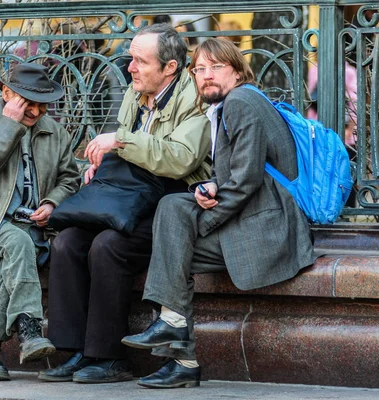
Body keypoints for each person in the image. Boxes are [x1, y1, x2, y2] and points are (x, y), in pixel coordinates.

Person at [121, 38, 316, 388]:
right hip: (260, 217)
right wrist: (211, 184)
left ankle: (180, 350)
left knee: (174, 242)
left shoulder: (240, 102)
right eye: (199, 69)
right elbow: (242, 170)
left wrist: (207, 222)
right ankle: (176, 338)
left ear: (238, 72)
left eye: (216, 67)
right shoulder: (237, 102)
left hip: (271, 229)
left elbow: (246, 182)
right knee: (174, 212)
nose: (206, 76)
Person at [39, 23, 211, 384]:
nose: (130, 68)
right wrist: (101, 168)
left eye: (140, 61)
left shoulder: (193, 97)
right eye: (130, 59)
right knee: (68, 242)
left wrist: (119, 141)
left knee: (108, 246)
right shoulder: (137, 93)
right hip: (130, 198)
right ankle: (75, 351)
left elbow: (181, 159)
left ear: (170, 68)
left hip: (171, 203)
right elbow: (124, 149)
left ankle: (108, 357)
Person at [0, 63, 80, 381]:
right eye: (28, 101)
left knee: (21, 247)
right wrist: (8, 125)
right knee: (17, 242)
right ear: (7, 94)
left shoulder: (55, 132)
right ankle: (28, 329)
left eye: (42, 104)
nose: (37, 110)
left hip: (35, 230)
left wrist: (52, 202)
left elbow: (69, 179)